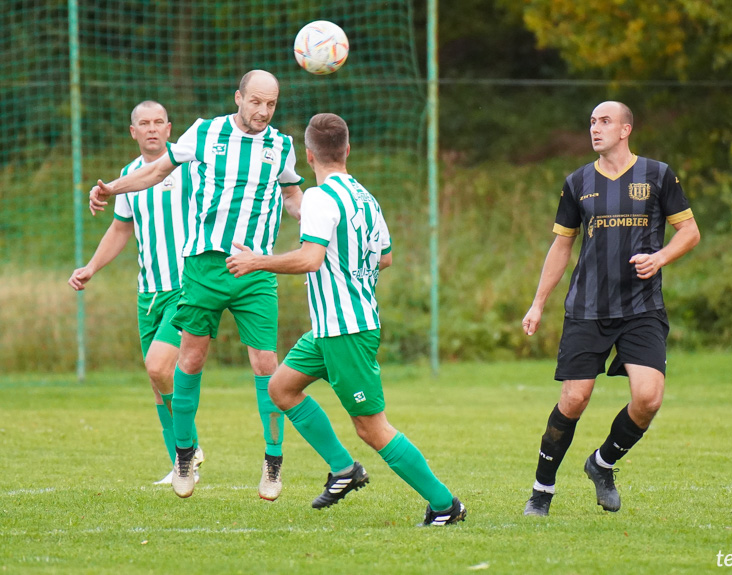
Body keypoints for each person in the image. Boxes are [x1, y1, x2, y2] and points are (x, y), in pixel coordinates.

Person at [225, 113, 466, 526]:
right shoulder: (364, 196)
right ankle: (344, 470)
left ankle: (445, 505)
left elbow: (310, 258)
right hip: (329, 329)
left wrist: (256, 262)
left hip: (346, 330)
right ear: (347, 150)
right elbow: (385, 257)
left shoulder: (319, 198)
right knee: (281, 388)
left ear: (307, 154)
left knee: (372, 428)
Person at [89, 70, 304, 501]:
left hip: (256, 269)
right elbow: (155, 172)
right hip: (203, 267)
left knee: (266, 364)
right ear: (238, 98)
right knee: (188, 359)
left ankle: (273, 460)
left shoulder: (281, 146)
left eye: (271, 105)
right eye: (256, 102)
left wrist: (321, 221)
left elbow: (292, 196)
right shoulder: (205, 133)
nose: (263, 112)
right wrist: (112, 188)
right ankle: (184, 454)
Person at [521, 101, 700, 516]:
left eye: (604, 122)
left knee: (649, 398)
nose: (595, 129)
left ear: (625, 130)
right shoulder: (578, 181)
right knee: (574, 399)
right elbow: (562, 245)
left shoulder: (657, 174)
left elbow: (689, 231)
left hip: (642, 308)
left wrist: (660, 258)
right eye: (591, 122)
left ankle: (602, 464)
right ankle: (541, 491)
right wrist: (538, 303)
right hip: (587, 308)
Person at [69, 100, 204, 485]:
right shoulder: (128, 176)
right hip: (149, 292)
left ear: (169, 128)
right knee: (157, 382)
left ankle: (189, 448)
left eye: (159, 122)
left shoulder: (191, 169)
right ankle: (182, 462)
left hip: (187, 286)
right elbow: (120, 229)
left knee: (159, 367)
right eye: (144, 123)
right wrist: (91, 267)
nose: (151, 128)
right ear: (133, 131)